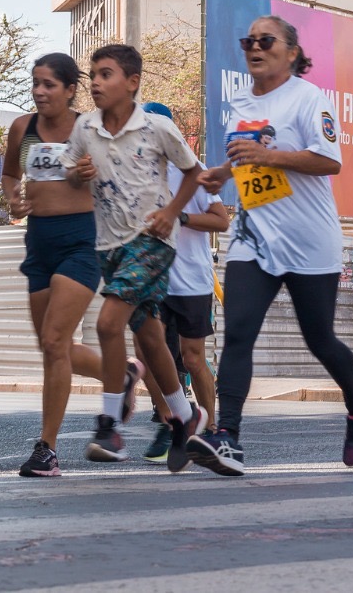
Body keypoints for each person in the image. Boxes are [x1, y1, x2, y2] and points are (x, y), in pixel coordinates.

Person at [188, 16, 353, 475]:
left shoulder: (309, 99)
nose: (255, 47)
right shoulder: (236, 103)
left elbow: (330, 160)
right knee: (238, 334)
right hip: (253, 236)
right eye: (247, 40)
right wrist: (222, 172)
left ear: (291, 52)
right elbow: (248, 160)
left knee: (320, 339)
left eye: (266, 41)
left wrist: (268, 156)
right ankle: (226, 436)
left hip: (309, 240)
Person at [63, 45, 208, 471]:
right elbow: (70, 172)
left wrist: (171, 211)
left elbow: (194, 172)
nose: (95, 83)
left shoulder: (157, 127)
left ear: (132, 82)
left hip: (152, 241)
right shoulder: (85, 128)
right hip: (109, 245)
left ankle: (109, 423)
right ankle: (184, 417)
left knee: (108, 323)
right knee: (149, 334)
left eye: (105, 74)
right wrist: (78, 175)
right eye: (92, 74)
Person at [1, 53, 142, 477]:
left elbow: (118, 178)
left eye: (49, 85)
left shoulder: (91, 127)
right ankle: (121, 376)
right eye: (35, 83)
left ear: (69, 90)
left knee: (56, 339)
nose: (40, 92)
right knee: (52, 347)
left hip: (83, 239)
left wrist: (89, 174)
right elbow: (10, 174)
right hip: (39, 242)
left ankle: (46, 449)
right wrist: (12, 197)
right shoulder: (22, 128)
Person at [132, 102, 230, 464]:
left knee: (192, 358)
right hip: (152, 280)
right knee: (146, 355)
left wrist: (180, 216)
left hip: (190, 280)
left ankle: (214, 430)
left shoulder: (192, 169)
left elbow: (221, 221)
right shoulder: (135, 171)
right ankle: (170, 419)